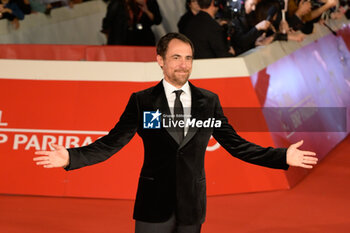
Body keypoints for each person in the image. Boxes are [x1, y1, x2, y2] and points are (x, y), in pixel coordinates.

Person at [33, 32, 318, 233]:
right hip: (153, 203)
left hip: (191, 205)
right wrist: (71, 157)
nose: (183, 65)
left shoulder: (209, 101)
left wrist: (282, 157)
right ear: (160, 60)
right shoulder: (142, 101)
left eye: (189, 58)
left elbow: (236, 145)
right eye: (177, 57)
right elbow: (112, 143)